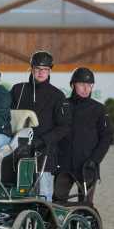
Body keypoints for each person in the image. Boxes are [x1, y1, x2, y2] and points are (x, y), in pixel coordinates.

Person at [9, 50, 71, 201]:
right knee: (16, 192)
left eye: (45, 69)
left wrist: (42, 140)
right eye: (38, 69)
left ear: (50, 71)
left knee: (43, 195)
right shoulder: (18, 90)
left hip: (44, 152)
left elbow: (64, 127)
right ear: (31, 69)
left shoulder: (57, 96)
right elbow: (7, 116)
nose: (41, 72)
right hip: (18, 150)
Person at [54, 67, 113, 204]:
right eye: (82, 84)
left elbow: (107, 136)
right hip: (64, 166)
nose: (86, 88)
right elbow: (55, 133)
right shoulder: (63, 105)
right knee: (58, 203)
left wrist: (95, 160)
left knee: (86, 205)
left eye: (89, 85)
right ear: (73, 85)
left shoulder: (99, 109)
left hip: (87, 166)